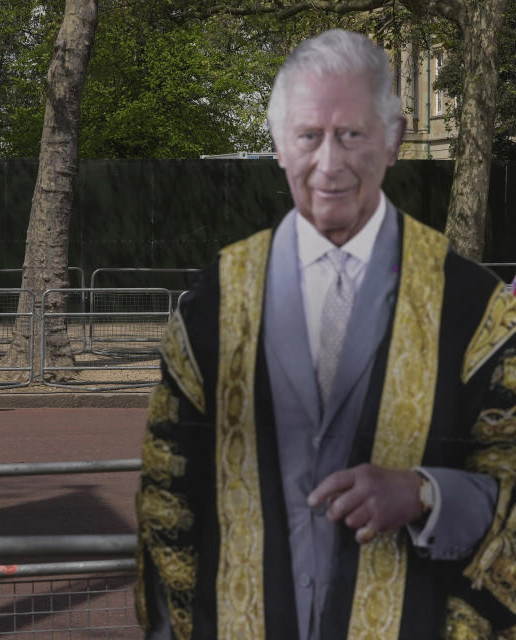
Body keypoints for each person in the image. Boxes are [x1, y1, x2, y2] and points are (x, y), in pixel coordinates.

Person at [135, 29, 516, 640]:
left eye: (352, 135)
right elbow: (166, 505)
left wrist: (429, 493)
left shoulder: (475, 309)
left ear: (393, 138)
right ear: (281, 146)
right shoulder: (213, 305)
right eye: (309, 136)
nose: (329, 163)